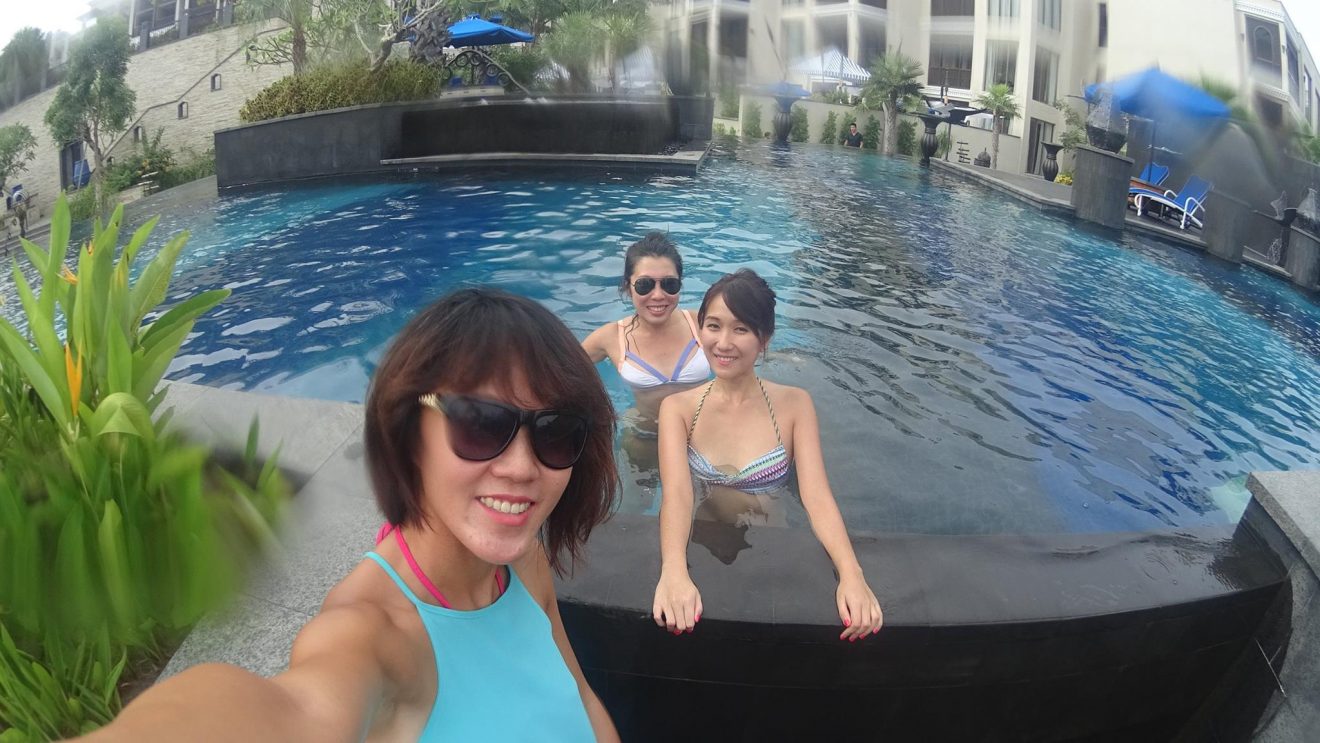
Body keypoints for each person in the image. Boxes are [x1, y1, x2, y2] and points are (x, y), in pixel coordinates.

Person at [81, 288, 621, 742]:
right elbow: (290, 712)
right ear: (409, 433)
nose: (522, 467)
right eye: (480, 424)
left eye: (556, 433)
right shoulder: (371, 635)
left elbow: (582, 697)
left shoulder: (524, 565)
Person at [651, 269, 882, 642]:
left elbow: (816, 495)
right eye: (713, 325)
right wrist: (674, 569)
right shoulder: (677, 409)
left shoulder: (795, 405)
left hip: (772, 540)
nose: (723, 342)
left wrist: (851, 574)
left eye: (740, 329)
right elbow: (677, 493)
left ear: (765, 338)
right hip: (703, 537)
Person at [581, 233, 711, 496]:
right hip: (644, 436)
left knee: (707, 517)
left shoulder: (702, 324)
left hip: (703, 438)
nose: (658, 295)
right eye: (645, 285)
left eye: (670, 284)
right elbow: (560, 370)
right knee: (635, 509)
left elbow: (741, 351)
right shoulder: (610, 337)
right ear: (627, 286)